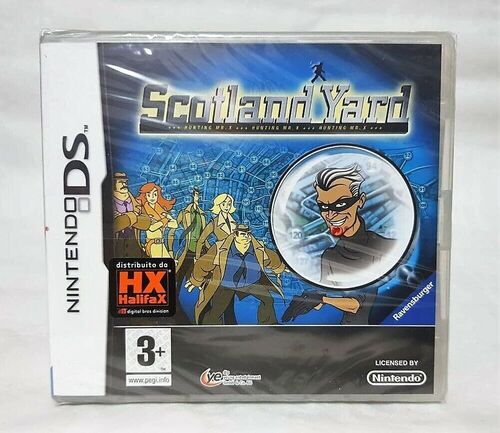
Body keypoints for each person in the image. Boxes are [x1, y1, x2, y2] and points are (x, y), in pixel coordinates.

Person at [282, 164, 395, 325]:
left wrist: (322, 299)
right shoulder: (330, 256)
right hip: (343, 332)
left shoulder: (384, 248)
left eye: (341, 205)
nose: (330, 214)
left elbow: (356, 305)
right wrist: (308, 299)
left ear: (360, 201)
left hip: (376, 332)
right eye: (324, 206)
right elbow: (324, 299)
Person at [186, 224, 285, 325]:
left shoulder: (258, 248)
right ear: (235, 235)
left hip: (252, 283)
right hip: (226, 285)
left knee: (268, 300)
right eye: (242, 234)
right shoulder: (220, 248)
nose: (246, 237)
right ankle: (210, 328)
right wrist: (196, 280)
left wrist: (280, 268)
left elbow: (272, 258)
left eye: (248, 234)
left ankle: (269, 324)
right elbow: (203, 264)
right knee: (217, 310)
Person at [168, 187, 208, 292]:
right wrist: (171, 251)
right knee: (179, 276)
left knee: (198, 279)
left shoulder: (202, 215)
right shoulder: (184, 213)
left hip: (198, 251)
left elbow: (204, 236)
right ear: (192, 196)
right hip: (186, 250)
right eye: (196, 194)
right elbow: (172, 231)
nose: (198, 197)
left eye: (199, 195)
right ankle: (174, 298)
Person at [112, 172, 151, 258]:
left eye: (125, 182)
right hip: (116, 251)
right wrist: (133, 217)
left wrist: (125, 218)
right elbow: (113, 225)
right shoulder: (107, 204)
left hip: (136, 250)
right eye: (120, 182)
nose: (124, 184)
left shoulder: (137, 202)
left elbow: (146, 223)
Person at [136, 182, 178, 258]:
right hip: (152, 244)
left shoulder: (160, 210)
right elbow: (151, 228)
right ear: (145, 196)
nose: (152, 197)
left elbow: (175, 224)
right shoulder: (143, 211)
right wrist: (164, 221)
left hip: (161, 244)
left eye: (155, 194)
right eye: (149, 195)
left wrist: (162, 222)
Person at [195, 193, 238, 259]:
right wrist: (197, 258)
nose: (227, 207)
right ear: (219, 205)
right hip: (220, 255)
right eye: (223, 204)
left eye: (229, 204)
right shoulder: (214, 223)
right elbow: (201, 241)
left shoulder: (235, 222)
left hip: (234, 255)